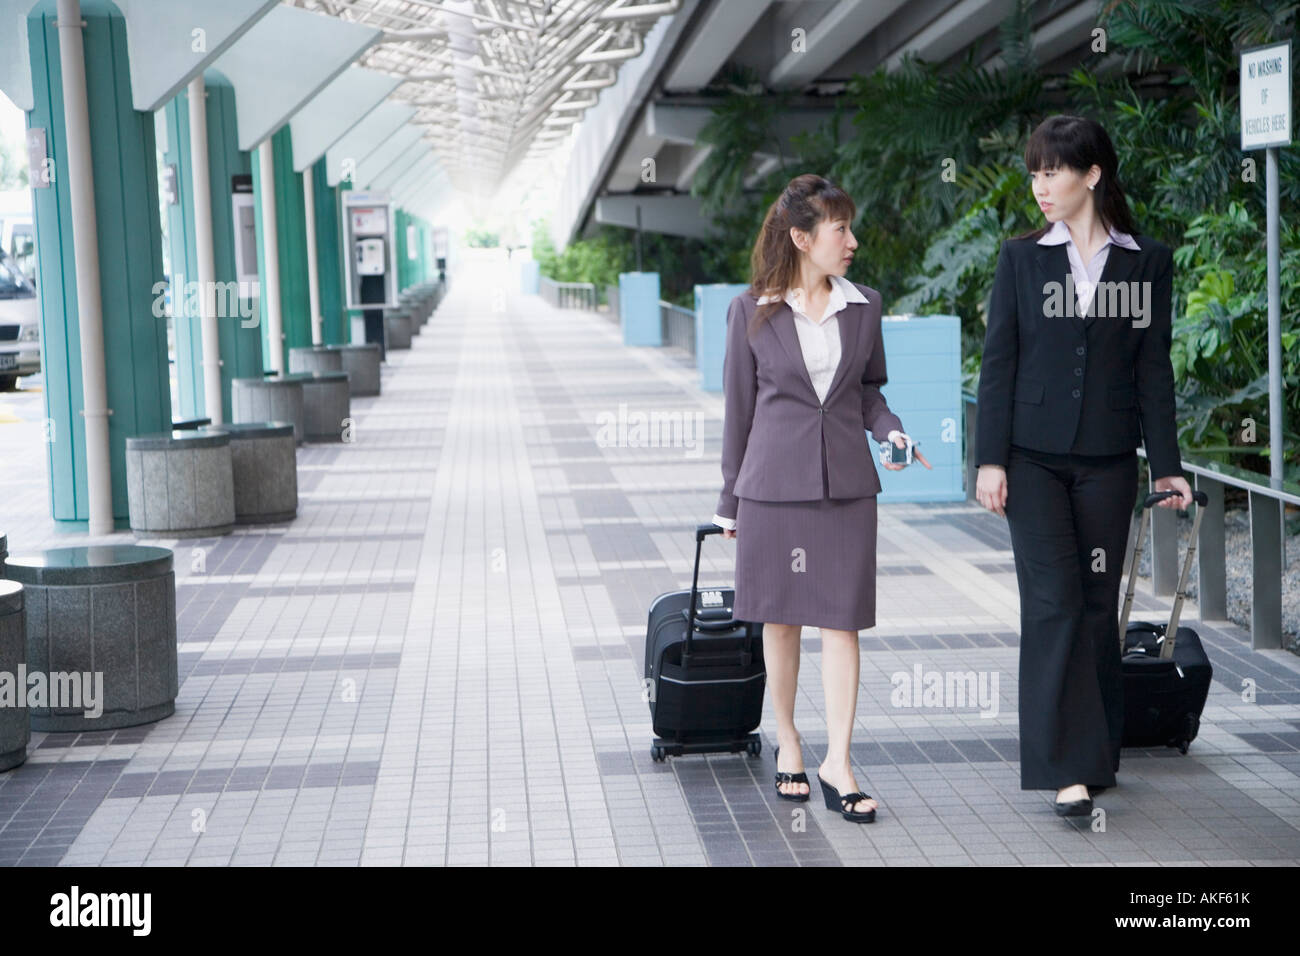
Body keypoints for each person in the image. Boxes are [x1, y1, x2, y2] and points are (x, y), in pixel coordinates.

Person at [973, 115, 1193, 816]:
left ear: (1091, 175)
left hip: (1106, 462)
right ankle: (1062, 768)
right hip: (1031, 460)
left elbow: (1153, 368)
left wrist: (1168, 465)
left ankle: (1097, 755)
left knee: (1097, 608)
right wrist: (989, 460)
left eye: (1052, 171)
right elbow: (999, 362)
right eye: (1034, 172)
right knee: (1054, 604)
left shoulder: (1144, 261)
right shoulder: (1022, 258)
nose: (1040, 185)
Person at [712, 174, 931, 823]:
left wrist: (891, 433)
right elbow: (739, 414)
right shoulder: (750, 310)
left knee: (842, 622)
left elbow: (869, 393)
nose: (853, 241)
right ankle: (789, 742)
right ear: (802, 238)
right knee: (780, 620)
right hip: (772, 490)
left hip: (845, 487)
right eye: (841, 229)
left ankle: (839, 759)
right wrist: (729, 505)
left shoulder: (864, 305)